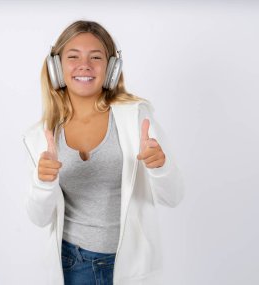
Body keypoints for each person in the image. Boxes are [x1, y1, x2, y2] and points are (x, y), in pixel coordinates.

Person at [22, 20, 185, 285]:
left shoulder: (136, 117)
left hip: (128, 265)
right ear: (56, 67)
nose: (84, 65)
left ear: (111, 68)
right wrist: (43, 182)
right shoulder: (42, 136)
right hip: (72, 264)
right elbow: (39, 218)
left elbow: (173, 197)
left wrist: (160, 167)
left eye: (95, 57)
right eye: (73, 56)